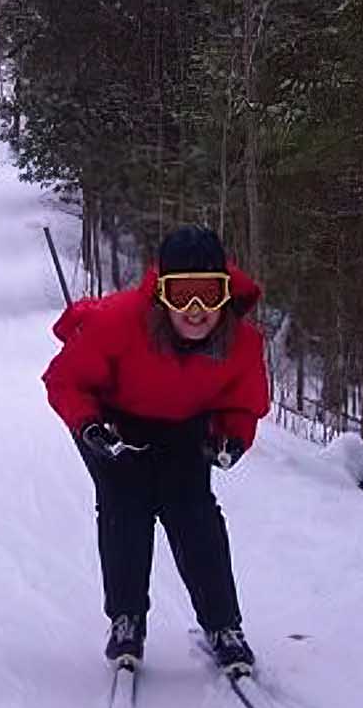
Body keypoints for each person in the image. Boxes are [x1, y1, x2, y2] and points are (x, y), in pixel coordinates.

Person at [42, 225, 270, 671]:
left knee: (195, 516)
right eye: (182, 293)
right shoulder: (117, 323)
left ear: (225, 293)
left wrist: (233, 437)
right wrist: (88, 426)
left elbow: (244, 403)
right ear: (161, 293)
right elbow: (65, 380)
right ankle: (127, 619)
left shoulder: (241, 342)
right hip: (117, 424)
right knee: (125, 510)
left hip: (186, 427)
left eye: (208, 293)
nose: (196, 309)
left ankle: (223, 624)